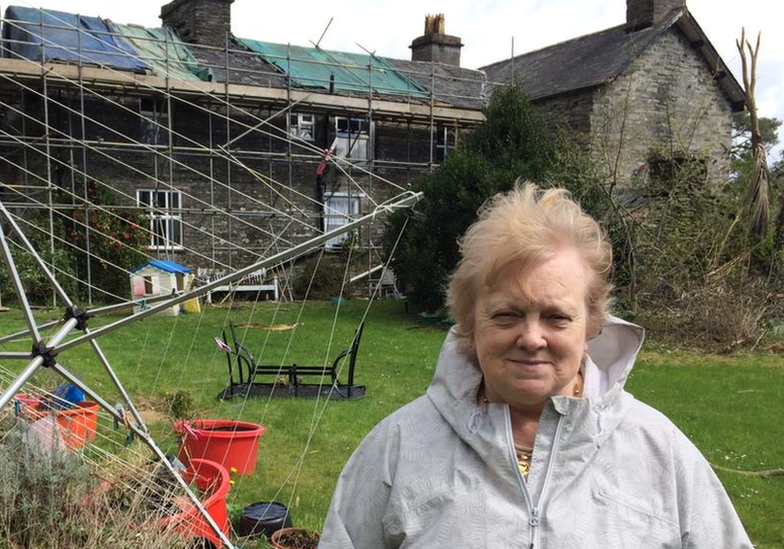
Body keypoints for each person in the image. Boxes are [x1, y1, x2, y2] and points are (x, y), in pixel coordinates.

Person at [319, 184, 752, 548]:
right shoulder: (398, 447)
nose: (531, 338)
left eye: (556, 316)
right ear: (469, 321)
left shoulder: (659, 451)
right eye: (506, 314)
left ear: (592, 326)